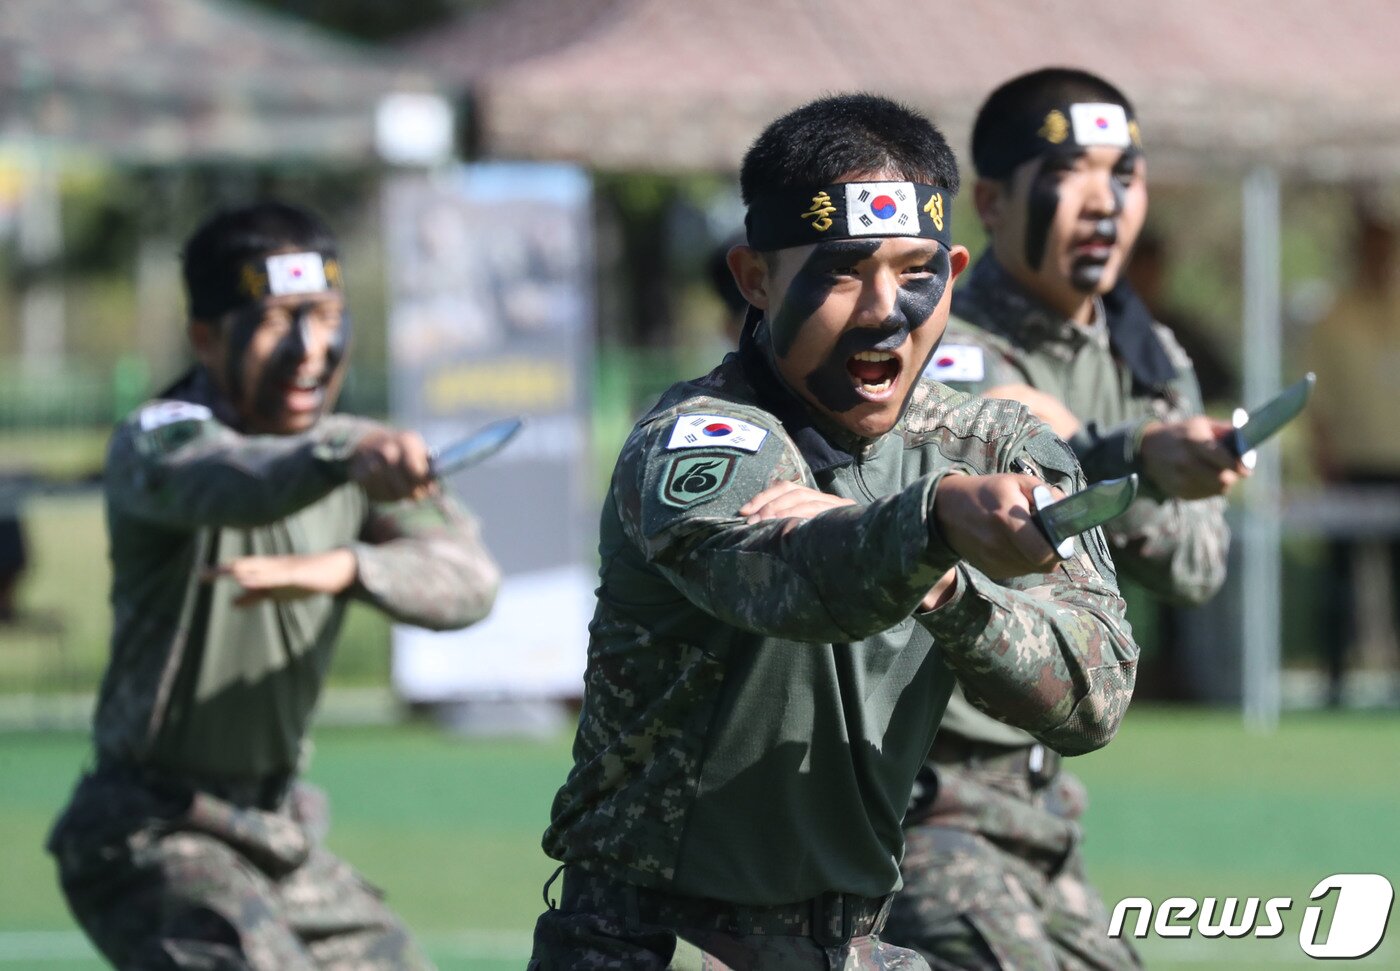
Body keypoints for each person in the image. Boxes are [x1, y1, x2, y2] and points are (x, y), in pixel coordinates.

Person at [527, 92, 1139, 971]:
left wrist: (948, 584)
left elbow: (1094, 696)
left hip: (850, 945)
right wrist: (932, 523)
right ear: (754, 277)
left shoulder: (990, 444)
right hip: (656, 941)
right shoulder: (699, 439)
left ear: (956, 272)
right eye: (843, 271)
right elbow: (795, 586)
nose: (885, 310)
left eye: (916, 271)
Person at [47, 201, 501, 970]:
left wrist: (350, 566)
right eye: (274, 322)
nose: (309, 350)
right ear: (203, 339)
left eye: (326, 317)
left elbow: (469, 580)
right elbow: (238, 483)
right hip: (147, 828)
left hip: (276, 828)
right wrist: (340, 460)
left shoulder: (354, 450)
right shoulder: (158, 441)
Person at [886, 69, 1246, 969]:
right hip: (925, 804)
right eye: (1072, 171)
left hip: (1045, 809)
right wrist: (1127, 458)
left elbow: (1198, 565)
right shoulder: (947, 346)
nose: (1105, 201)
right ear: (996, 203)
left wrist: (1114, 465)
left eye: (1124, 173)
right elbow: (990, 465)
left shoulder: (1147, 353)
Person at [1307, 195, 1400, 706]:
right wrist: (1325, 456)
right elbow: (1317, 397)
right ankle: (1335, 684)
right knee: (1340, 586)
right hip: (1352, 467)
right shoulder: (1334, 316)